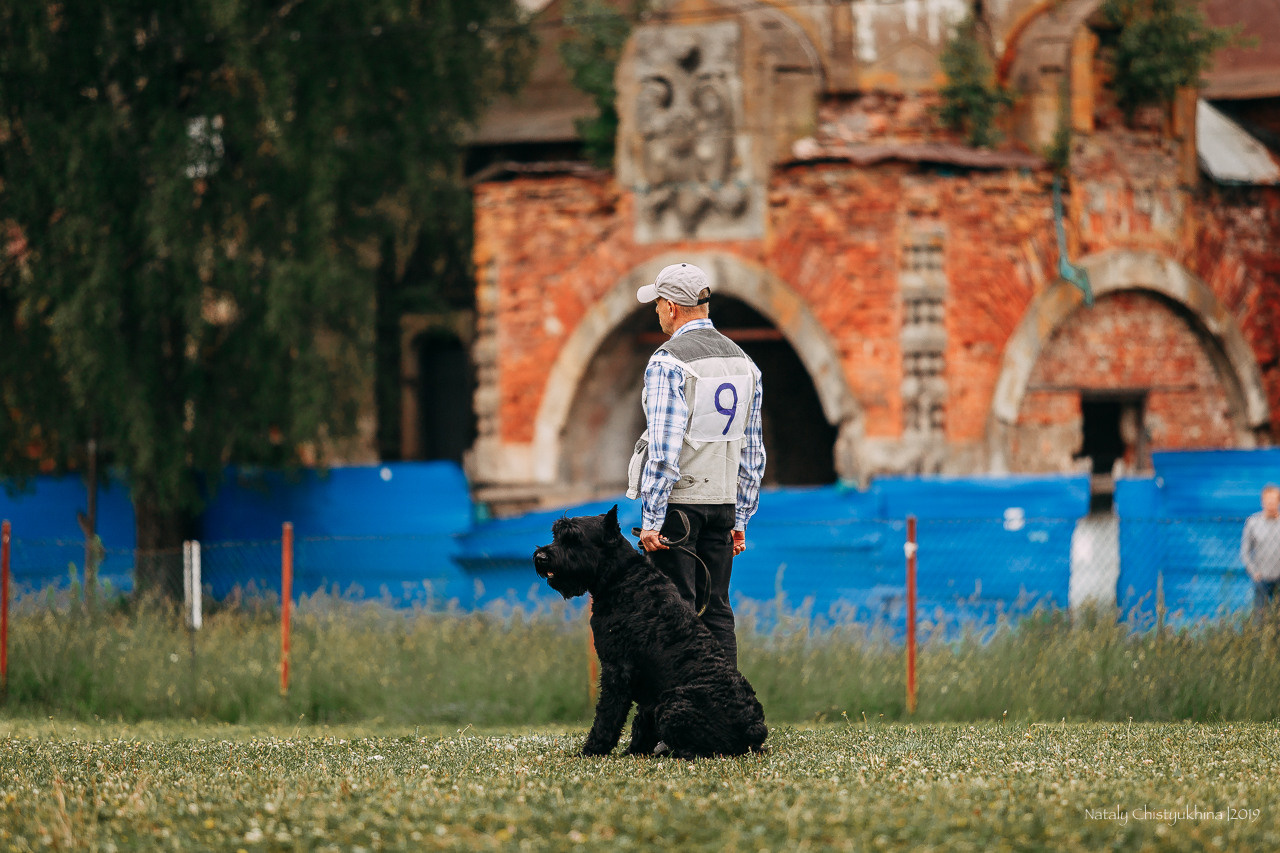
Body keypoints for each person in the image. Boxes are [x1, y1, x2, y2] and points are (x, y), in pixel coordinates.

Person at [626, 262, 765, 666]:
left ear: (671, 306)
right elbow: (753, 452)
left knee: (674, 612)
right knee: (717, 610)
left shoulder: (667, 361)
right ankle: (725, 710)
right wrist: (740, 517)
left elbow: (664, 450)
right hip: (722, 505)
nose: (655, 311)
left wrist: (651, 518)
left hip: (679, 506)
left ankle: (682, 710)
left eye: (657, 304)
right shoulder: (745, 363)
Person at [1241, 484, 1280, 617]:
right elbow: (1245, 552)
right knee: (1259, 617)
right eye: (1267, 501)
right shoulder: (1253, 522)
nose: (1270, 504)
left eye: (1273, 501)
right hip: (1261, 578)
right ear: (1262, 502)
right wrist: (1254, 572)